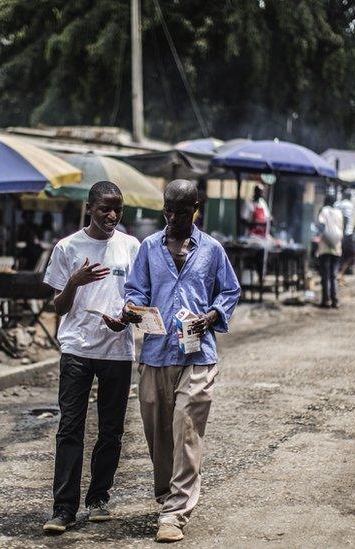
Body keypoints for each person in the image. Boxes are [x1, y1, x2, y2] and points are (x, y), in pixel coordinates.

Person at [121, 179, 241, 543]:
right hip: (156, 353)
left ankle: (175, 512)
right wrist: (131, 307)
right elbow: (135, 289)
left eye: (180, 211)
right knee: (158, 430)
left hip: (198, 355)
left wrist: (211, 317)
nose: (172, 218)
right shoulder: (148, 247)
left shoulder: (213, 250)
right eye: (167, 210)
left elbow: (230, 290)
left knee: (187, 428)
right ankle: (166, 494)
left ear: (195, 209)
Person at [41, 181, 142, 535]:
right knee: (70, 429)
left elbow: (139, 298)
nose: (111, 215)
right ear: (89, 208)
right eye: (104, 209)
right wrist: (75, 281)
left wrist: (126, 315)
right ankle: (63, 509)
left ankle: (99, 499)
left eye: (117, 209)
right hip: (77, 348)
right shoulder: (67, 247)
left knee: (111, 431)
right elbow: (58, 306)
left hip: (117, 349)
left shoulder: (131, 247)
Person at [317, 195, 344, 308]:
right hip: (336, 247)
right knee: (333, 275)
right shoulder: (339, 213)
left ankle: (326, 300)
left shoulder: (324, 210)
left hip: (325, 248)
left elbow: (320, 224)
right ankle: (335, 300)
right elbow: (341, 228)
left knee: (325, 275)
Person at [335, 189, 355, 278]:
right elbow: (346, 218)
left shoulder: (337, 204)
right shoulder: (348, 205)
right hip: (346, 233)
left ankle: (342, 270)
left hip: (339, 232)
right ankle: (343, 271)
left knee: (341, 253)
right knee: (351, 254)